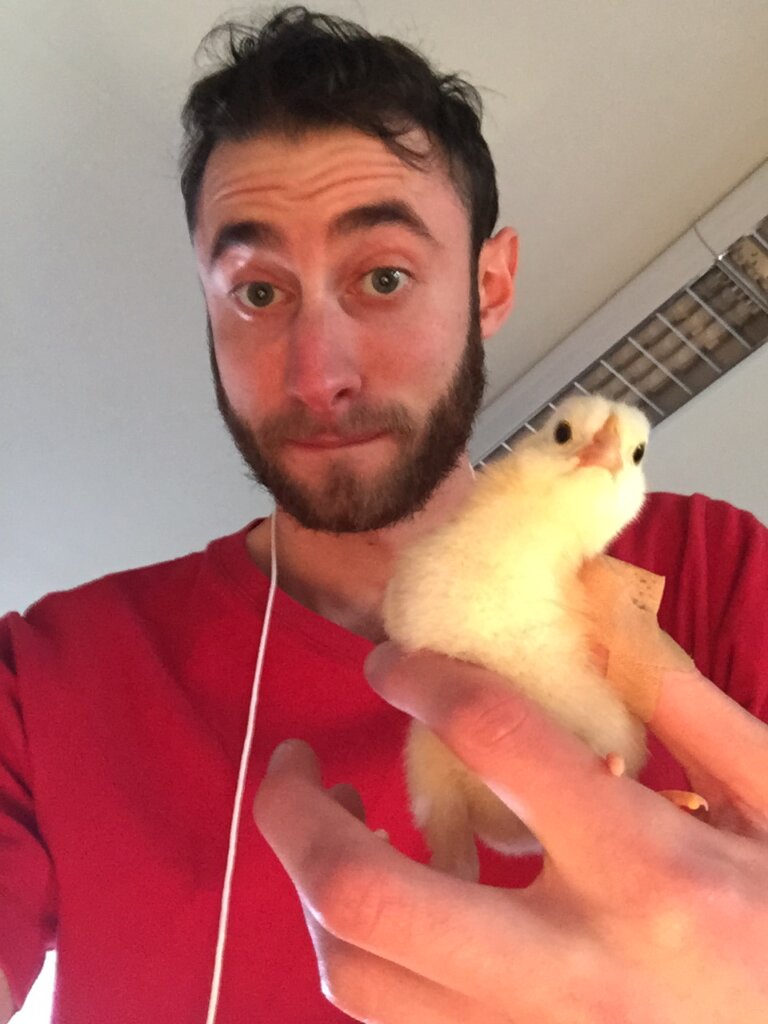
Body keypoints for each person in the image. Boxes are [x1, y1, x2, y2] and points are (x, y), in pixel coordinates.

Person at [1, 5, 767, 1022]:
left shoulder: (706, 571)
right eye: (258, 294)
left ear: (491, 285)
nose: (320, 374)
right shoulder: (49, 679)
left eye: (385, 277)